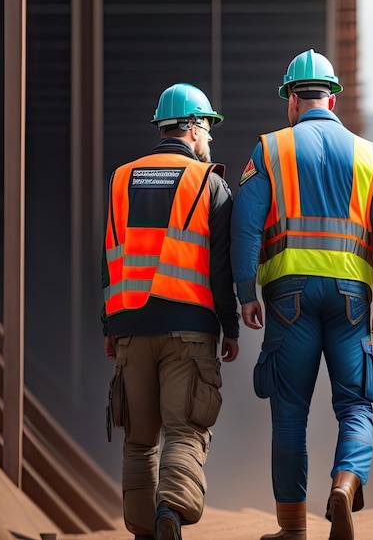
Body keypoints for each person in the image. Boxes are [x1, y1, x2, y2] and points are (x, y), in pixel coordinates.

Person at [230, 50, 373, 540]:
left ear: (291, 99)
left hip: (288, 298)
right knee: (355, 406)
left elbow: (244, 229)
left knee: (289, 412)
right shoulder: (370, 155)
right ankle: (345, 484)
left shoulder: (269, 150)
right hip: (351, 299)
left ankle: (293, 530)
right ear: (333, 98)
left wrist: (247, 294)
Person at [101, 83, 240, 540]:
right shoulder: (209, 183)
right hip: (190, 327)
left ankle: (144, 530)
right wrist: (229, 325)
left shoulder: (122, 178)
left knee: (139, 440)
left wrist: (109, 325)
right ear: (194, 127)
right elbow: (221, 267)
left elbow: (110, 255)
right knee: (185, 429)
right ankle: (170, 516)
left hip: (131, 327)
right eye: (209, 129)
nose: (211, 140)